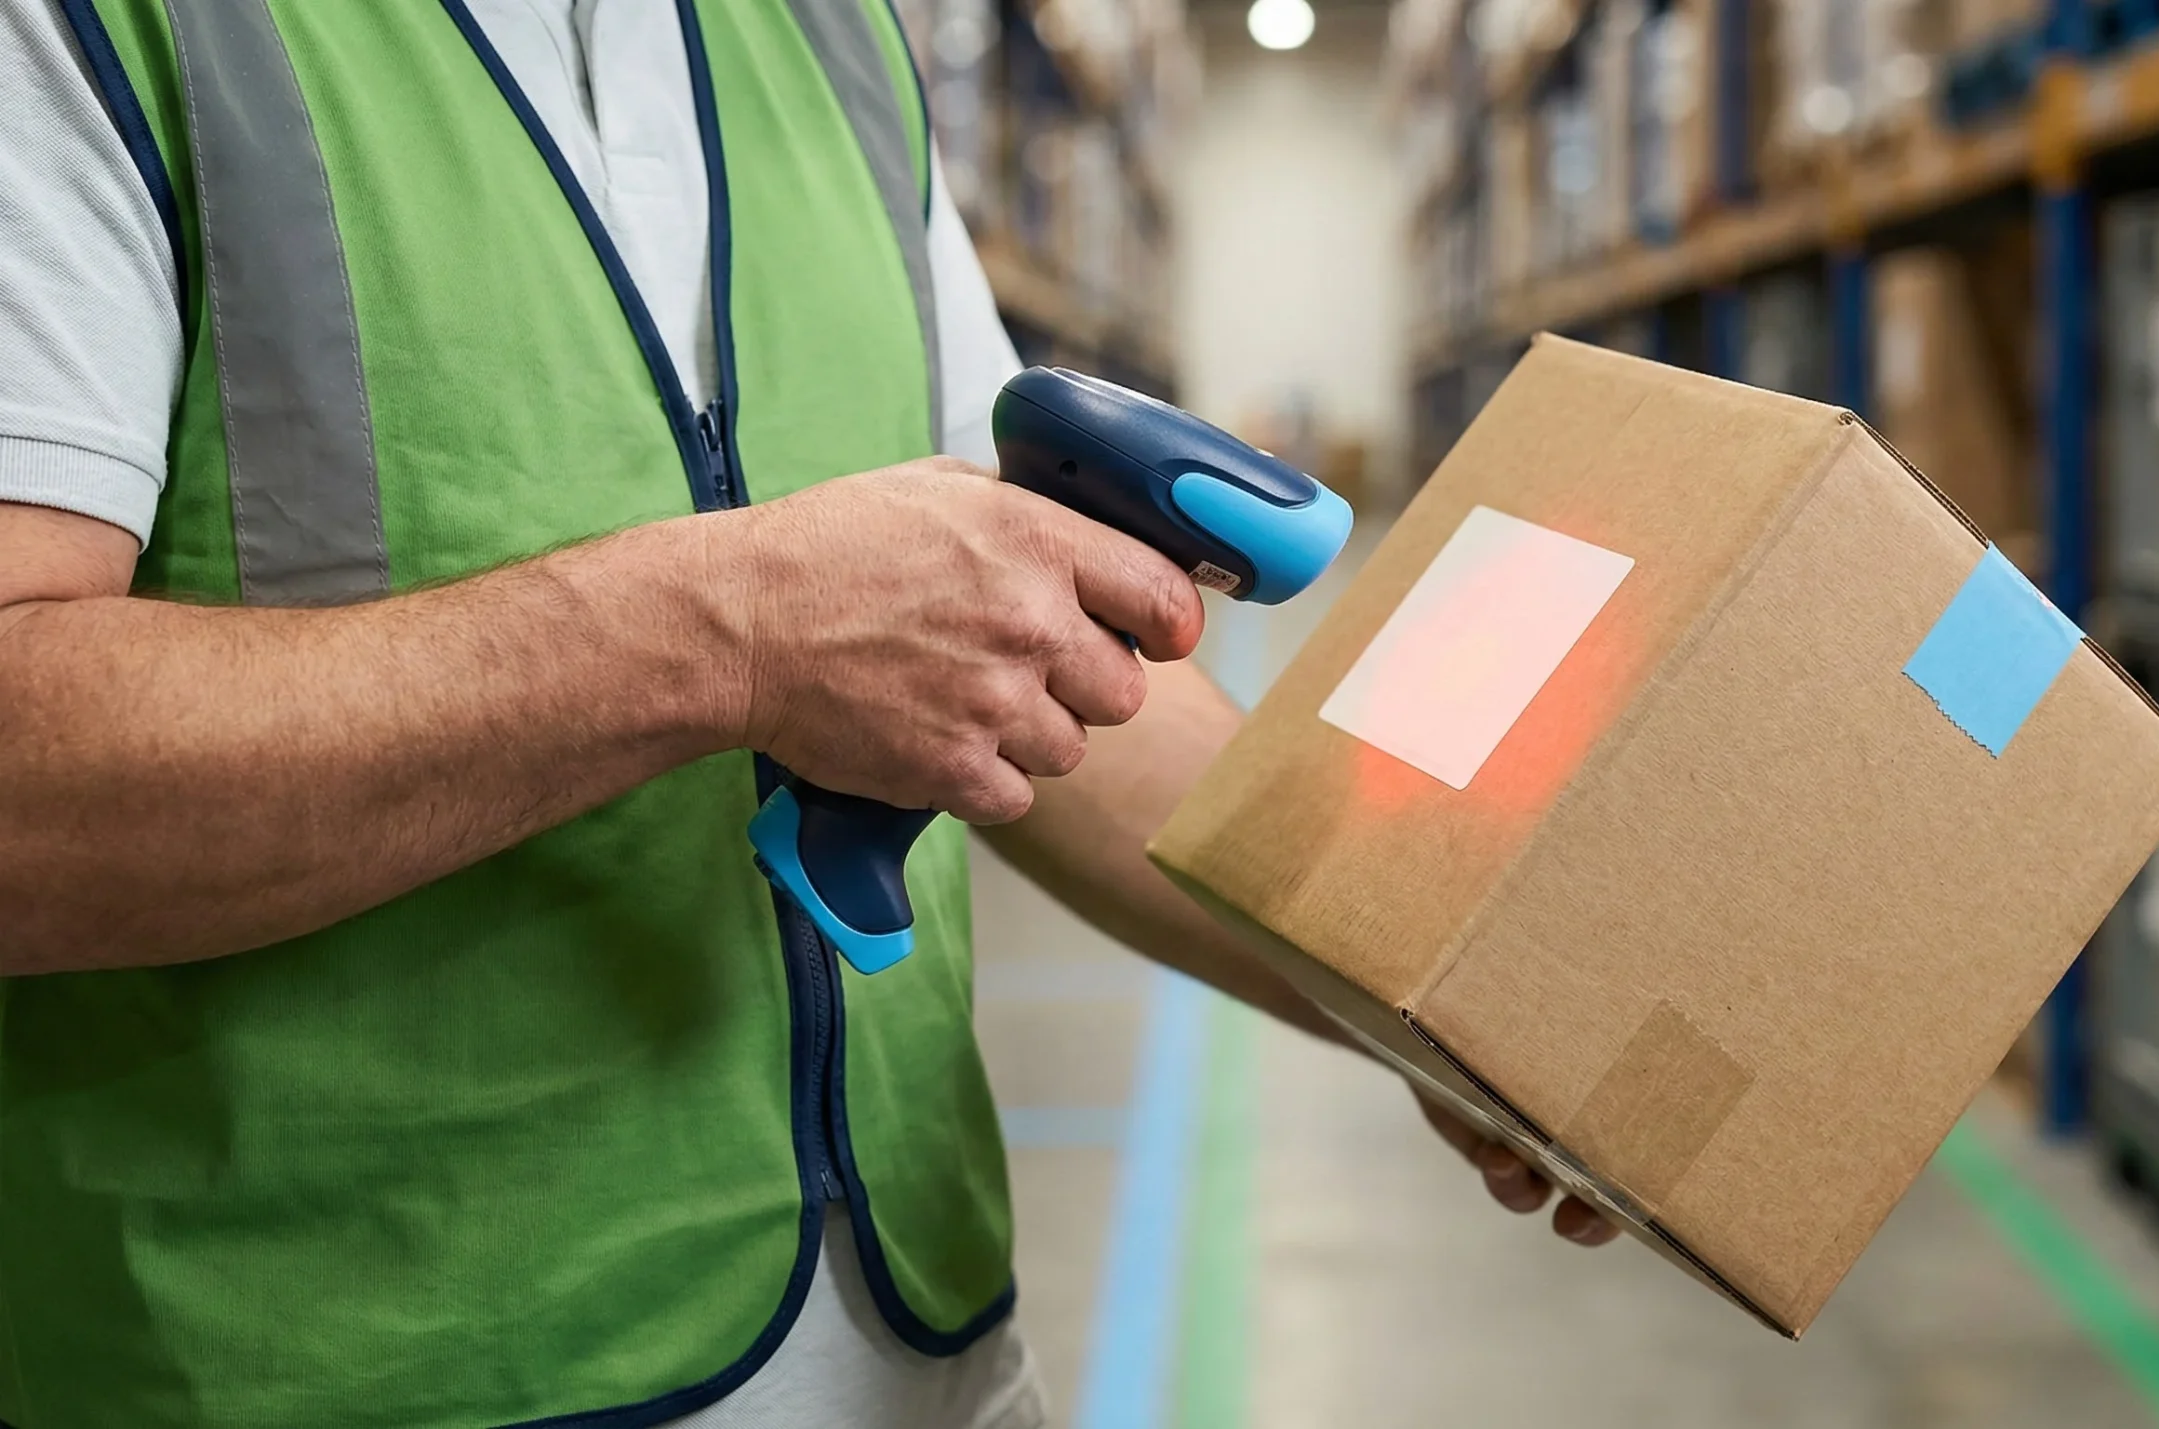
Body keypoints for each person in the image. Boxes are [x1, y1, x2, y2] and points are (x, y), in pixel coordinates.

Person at [0, 2, 1616, 1426]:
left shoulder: (825, 39)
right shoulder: (107, 32)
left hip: (921, 1349)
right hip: (363, 1366)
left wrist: (1435, 986)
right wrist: (729, 632)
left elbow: (1041, 685)